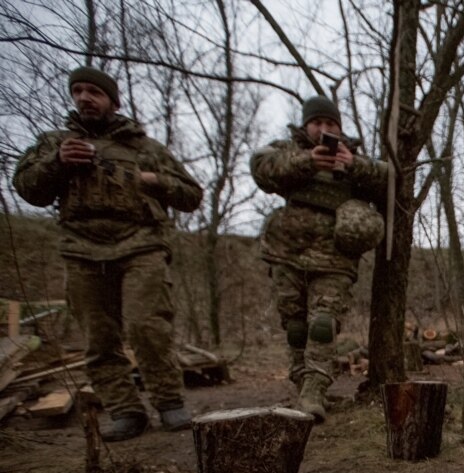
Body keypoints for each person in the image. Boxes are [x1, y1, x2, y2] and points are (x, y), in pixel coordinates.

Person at [13, 66, 203, 441]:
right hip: (81, 249)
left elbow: (190, 194)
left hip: (141, 244)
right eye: (78, 91)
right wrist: (58, 163)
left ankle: (169, 403)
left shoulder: (145, 149)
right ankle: (125, 411)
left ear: (113, 101)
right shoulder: (56, 143)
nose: (85, 97)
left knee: (146, 326)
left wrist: (151, 180)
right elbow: (28, 189)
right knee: (99, 338)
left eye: (94, 92)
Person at [250, 96, 387, 422]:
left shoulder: (353, 157)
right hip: (288, 253)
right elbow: (262, 169)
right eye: (317, 123)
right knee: (295, 326)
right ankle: (301, 381)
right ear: (306, 125)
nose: (324, 129)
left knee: (323, 325)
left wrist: (354, 165)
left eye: (330, 124)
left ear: (339, 127)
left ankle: (315, 390)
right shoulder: (288, 150)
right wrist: (308, 161)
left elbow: (388, 181)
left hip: (335, 259)